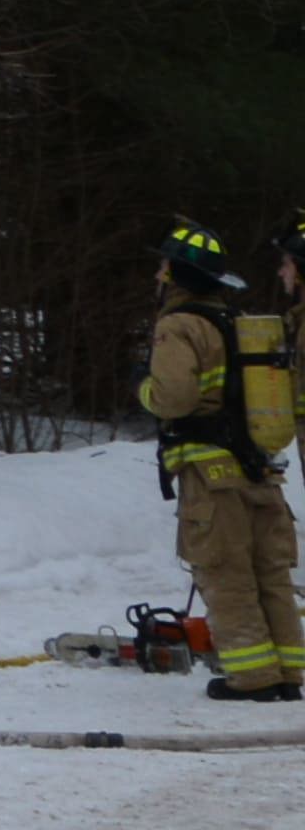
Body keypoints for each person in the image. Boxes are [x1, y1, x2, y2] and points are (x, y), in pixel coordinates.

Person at [145, 219, 300, 701]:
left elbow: (173, 398)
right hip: (259, 471)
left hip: (212, 476)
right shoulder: (238, 323)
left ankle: (251, 677)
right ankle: (291, 672)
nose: (158, 274)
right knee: (269, 573)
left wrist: (141, 386)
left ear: (176, 275)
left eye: (163, 266)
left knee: (224, 572)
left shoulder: (179, 326)